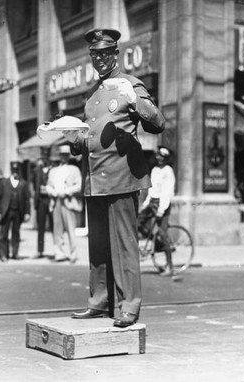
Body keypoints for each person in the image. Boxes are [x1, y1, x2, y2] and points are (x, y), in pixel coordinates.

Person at [63, 28, 165, 327]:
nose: (100, 59)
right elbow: (90, 139)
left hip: (122, 178)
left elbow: (158, 123)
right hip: (95, 180)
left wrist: (134, 98)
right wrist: (69, 134)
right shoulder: (92, 95)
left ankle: (128, 306)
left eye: (106, 53)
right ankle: (100, 302)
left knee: (123, 245)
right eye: (95, 54)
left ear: (116, 54)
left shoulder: (130, 84)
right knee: (99, 246)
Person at [138, 146, 176, 276]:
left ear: (166, 159)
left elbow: (167, 191)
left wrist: (162, 209)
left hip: (162, 203)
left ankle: (170, 266)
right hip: (153, 201)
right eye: (158, 157)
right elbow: (152, 189)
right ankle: (157, 244)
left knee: (162, 232)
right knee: (139, 223)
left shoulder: (168, 171)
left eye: (162, 157)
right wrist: (146, 203)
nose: (159, 159)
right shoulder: (154, 170)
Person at [46, 145, 82, 264]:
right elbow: (48, 186)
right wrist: (54, 192)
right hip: (56, 201)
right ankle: (59, 253)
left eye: (66, 155)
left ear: (69, 156)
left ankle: (73, 254)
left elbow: (79, 185)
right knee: (57, 230)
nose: (63, 157)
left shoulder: (74, 169)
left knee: (71, 230)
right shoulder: (53, 171)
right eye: (62, 155)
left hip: (68, 201)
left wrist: (67, 192)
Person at [0, 161, 31, 261]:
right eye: (13, 170)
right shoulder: (4, 182)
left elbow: (27, 199)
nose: (15, 172)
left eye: (17, 170)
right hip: (6, 211)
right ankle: (3, 254)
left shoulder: (23, 183)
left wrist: (27, 212)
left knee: (16, 233)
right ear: (11, 170)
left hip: (18, 212)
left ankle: (15, 253)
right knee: (4, 234)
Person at [33, 148, 53, 258]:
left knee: (53, 225)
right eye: (43, 157)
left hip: (50, 200)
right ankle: (40, 250)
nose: (45, 159)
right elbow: (33, 184)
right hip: (41, 200)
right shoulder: (37, 170)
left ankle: (56, 250)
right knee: (40, 227)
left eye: (47, 157)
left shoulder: (53, 169)